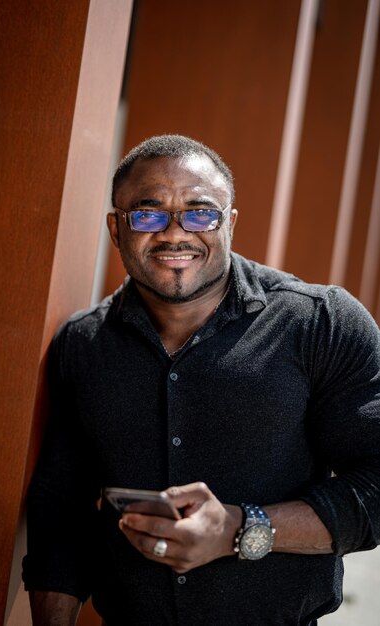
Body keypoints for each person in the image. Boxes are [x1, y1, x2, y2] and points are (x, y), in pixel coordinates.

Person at [23, 134, 380, 626]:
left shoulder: (321, 324)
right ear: (116, 227)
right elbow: (59, 512)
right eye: (148, 214)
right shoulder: (83, 346)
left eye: (200, 213)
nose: (175, 233)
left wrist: (242, 527)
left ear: (229, 222)